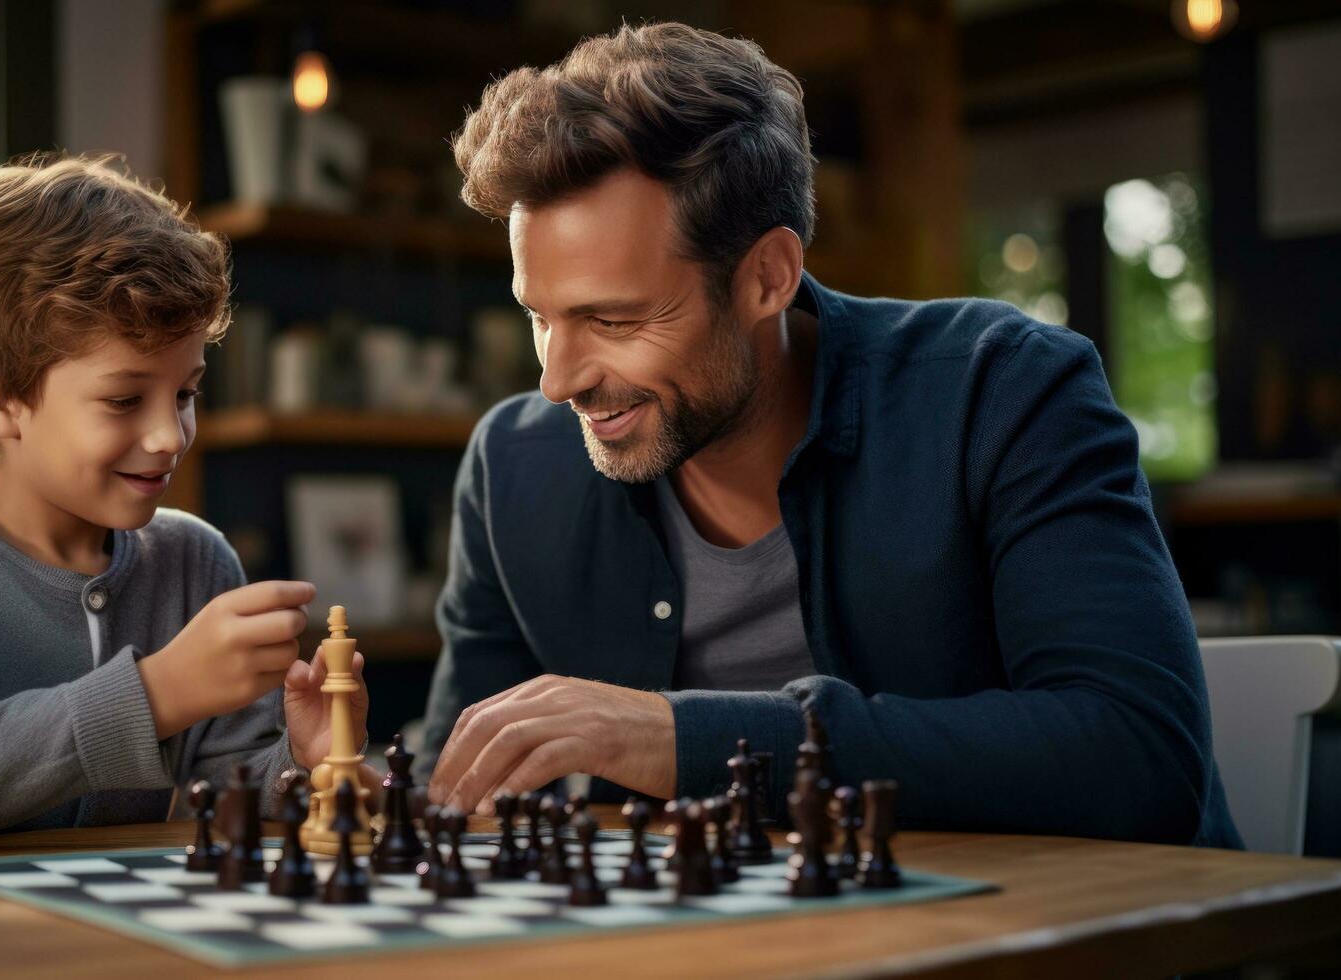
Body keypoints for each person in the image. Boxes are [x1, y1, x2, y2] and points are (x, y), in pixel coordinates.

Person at [420, 23, 1240, 847]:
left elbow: (1140, 760)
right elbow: (456, 790)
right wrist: (339, 771)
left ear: (766, 277)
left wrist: (684, 740)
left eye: (615, 318)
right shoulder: (514, 467)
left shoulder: (1003, 392)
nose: (557, 380)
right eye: (541, 317)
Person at [0, 155, 369, 848]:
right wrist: (158, 692)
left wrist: (302, 761)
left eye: (186, 393)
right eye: (123, 399)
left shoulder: (193, 561)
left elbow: (226, 783)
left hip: (90, 942)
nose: (170, 435)